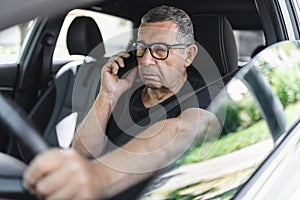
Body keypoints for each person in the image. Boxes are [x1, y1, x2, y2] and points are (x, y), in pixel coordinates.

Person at [24, 5, 221, 199]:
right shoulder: (126, 88)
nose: (146, 60)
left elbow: (183, 131)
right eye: (141, 48)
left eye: (161, 50)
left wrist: (97, 178)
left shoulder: (208, 95)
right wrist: (107, 95)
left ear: (188, 55)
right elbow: (82, 153)